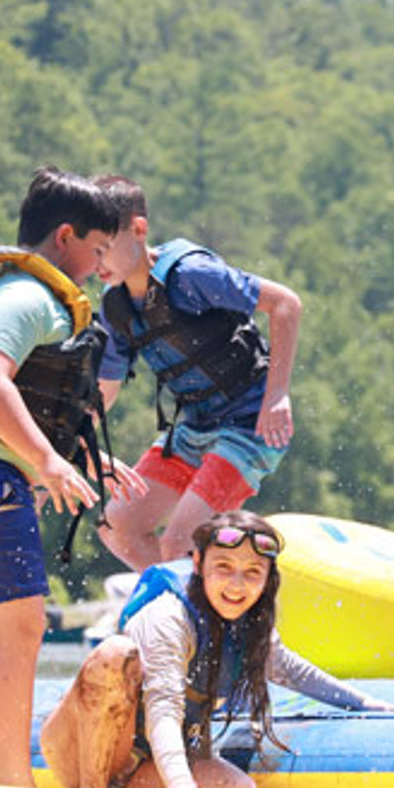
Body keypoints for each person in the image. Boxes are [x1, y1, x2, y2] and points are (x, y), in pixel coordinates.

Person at [0, 167, 148, 787]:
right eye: (99, 248)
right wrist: (46, 462)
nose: (103, 265)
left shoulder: (38, 297)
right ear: (64, 236)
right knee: (21, 631)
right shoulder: (25, 296)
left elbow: (26, 404)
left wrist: (80, 459)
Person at [40, 509, 394, 788]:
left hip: (140, 767)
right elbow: (163, 709)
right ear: (198, 563)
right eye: (224, 567)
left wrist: (368, 704)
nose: (237, 585)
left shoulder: (250, 625)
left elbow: (292, 671)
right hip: (82, 752)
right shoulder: (169, 617)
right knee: (115, 653)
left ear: (268, 578)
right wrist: (182, 787)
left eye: (253, 572)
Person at [90, 176, 303, 570]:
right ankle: (185, 603)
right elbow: (105, 390)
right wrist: (58, 451)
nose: (96, 261)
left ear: (138, 229)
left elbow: (286, 304)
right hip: (194, 428)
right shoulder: (115, 307)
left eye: (104, 248)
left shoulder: (191, 275)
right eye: (90, 250)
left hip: (250, 425)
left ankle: (209, 598)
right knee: (117, 525)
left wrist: (277, 395)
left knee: (179, 543)